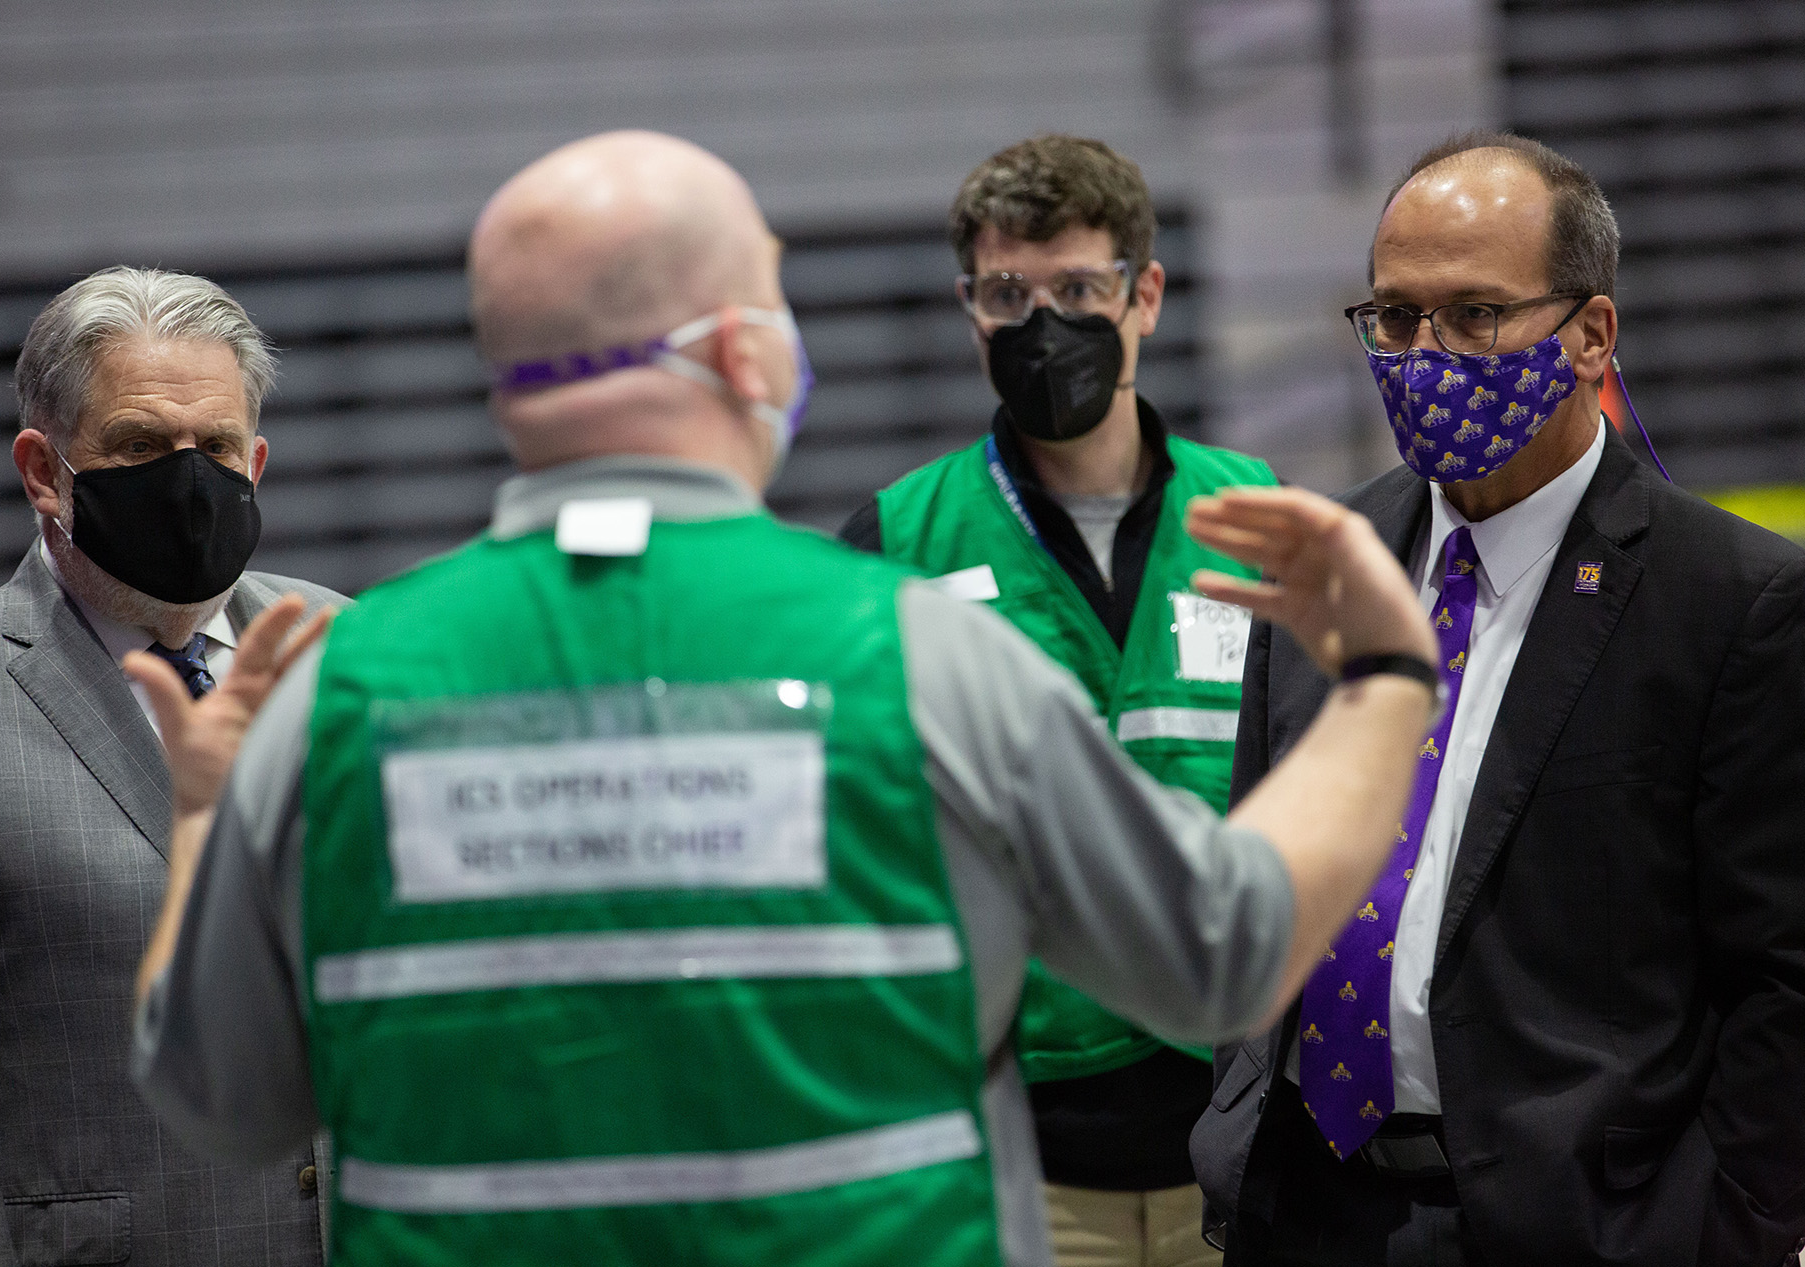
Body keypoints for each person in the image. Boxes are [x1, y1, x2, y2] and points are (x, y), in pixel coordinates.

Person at [127, 130, 1442, 1267]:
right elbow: (1220, 948)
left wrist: (198, 816)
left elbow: (218, 1097)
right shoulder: (916, 653)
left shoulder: (333, 690)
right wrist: (1386, 681)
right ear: (746, 353)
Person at [1191, 131, 1805, 1265]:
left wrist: (1731, 1222)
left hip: (1580, 1225)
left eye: (1474, 315)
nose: (1423, 355)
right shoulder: (1332, 558)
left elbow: (1783, 972)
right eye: (1393, 317)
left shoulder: (1733, 600)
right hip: (1301, 1207)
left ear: (1589, 335)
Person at [840, 134, 1274, 1267]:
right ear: (967, 309)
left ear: (1146, 296)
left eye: (1077, 289)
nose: (1043, 326)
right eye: (1007, 294)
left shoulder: (1261, 518)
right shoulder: (895, 540)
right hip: (1025, 1151)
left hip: (1243, 1134)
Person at [0, 267, 342, 1266]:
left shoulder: (347, 649)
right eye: (141, 445)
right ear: (43, 468)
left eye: (217, 447)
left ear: (257, 460)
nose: (188, 482)